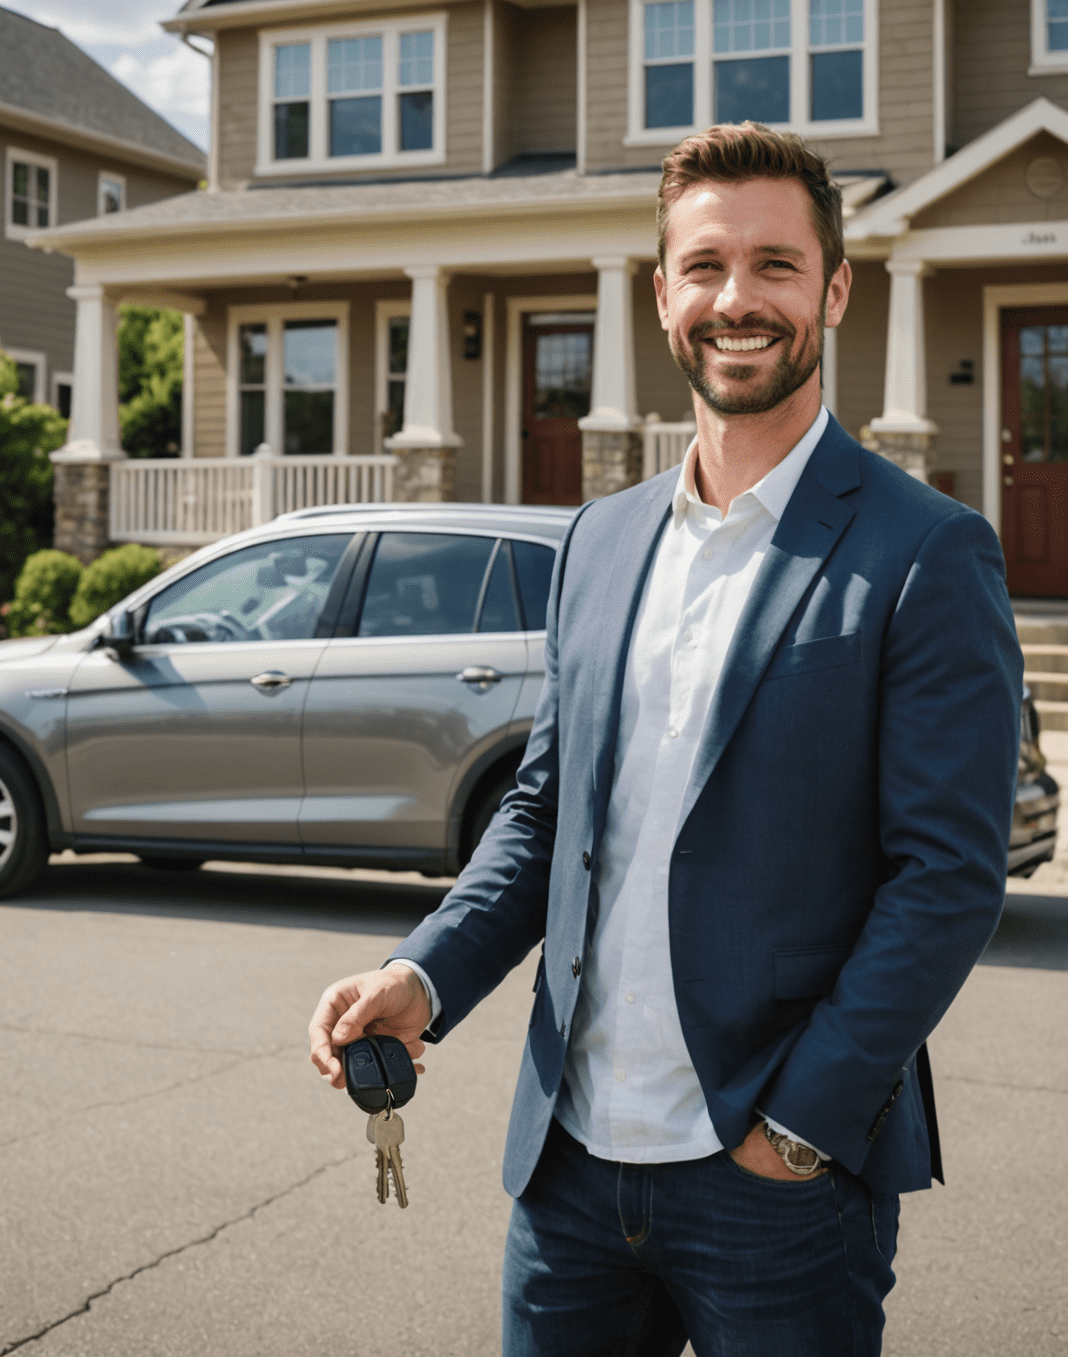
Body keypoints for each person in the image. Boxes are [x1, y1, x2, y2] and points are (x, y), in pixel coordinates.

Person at [308, 122, 1022, 1357]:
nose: (735, 300)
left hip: (777, 1184)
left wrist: (799, 1127)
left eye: (775, 266)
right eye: (703, 266)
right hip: (570, 1169)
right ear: (661, 296)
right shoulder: (598, 541)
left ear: (836, 290)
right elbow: (543, 818)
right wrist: (421, 977)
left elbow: (949, 876)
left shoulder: (925, 552)